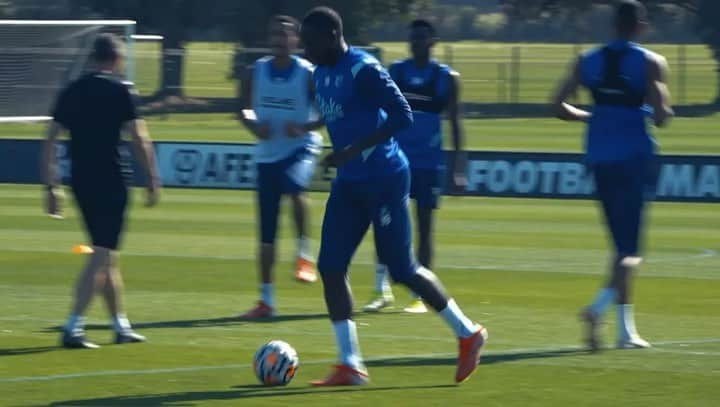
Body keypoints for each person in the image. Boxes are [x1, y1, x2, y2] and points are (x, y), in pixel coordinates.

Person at [300, 7, 487, 386]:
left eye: (310, 41)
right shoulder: (319, 73)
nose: (306, 49)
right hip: (350, 182)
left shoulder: (363, 68)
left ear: (333, 36)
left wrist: (353, 149)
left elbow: (403, 115)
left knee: (402, 269)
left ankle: (468, 334)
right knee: (331, 266)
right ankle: (350, 363)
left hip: (384, 177)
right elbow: (340, 116)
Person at [550, 0, 673, 351]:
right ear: (640, 25)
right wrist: (656, 110)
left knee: (620, 247)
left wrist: (591, 117)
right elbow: (662, 115)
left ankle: (625, 331)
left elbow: (556, 105)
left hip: (599, 158)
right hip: (635, 157)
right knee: (631, 250)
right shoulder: (650, 62)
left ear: (613, 25)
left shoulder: (587, 60)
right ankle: (597, 309)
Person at [42, 33, 160, 349]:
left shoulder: (72, 90)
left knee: (106, 255)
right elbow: (140, 138)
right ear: (117, 60)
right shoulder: (121, 90)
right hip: (112, 181)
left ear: (93, 58)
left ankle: (120, 325)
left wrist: (51, 186)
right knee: (102, 253)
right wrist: (152, 178)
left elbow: (50, 139)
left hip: (81, 181)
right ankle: (73, 325)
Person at [363, 19, 466, 314]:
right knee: (385, 223)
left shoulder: (447, 78)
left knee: (424, 226)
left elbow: (456, 123)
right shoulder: (395, 72)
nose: (416, 42)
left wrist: (457, 167)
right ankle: (380, 289)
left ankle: (421, 296)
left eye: (422, 37)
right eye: (413, 38)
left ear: (433, 41)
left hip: (429, 164)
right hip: (394, 160)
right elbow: (378, 112)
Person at [238, 15, 324, 319]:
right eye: (275, 35)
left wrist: (304, 128)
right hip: (267, 154)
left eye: (286, 35)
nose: (280, 40)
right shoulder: (255, 71)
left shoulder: (307, 74)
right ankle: (265, 300)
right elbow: (243, 107)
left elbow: (328, 112)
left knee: (295, 186)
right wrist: (252, 124)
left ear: (296, 41)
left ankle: (303, 253)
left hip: (300, 149)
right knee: (266, 234)